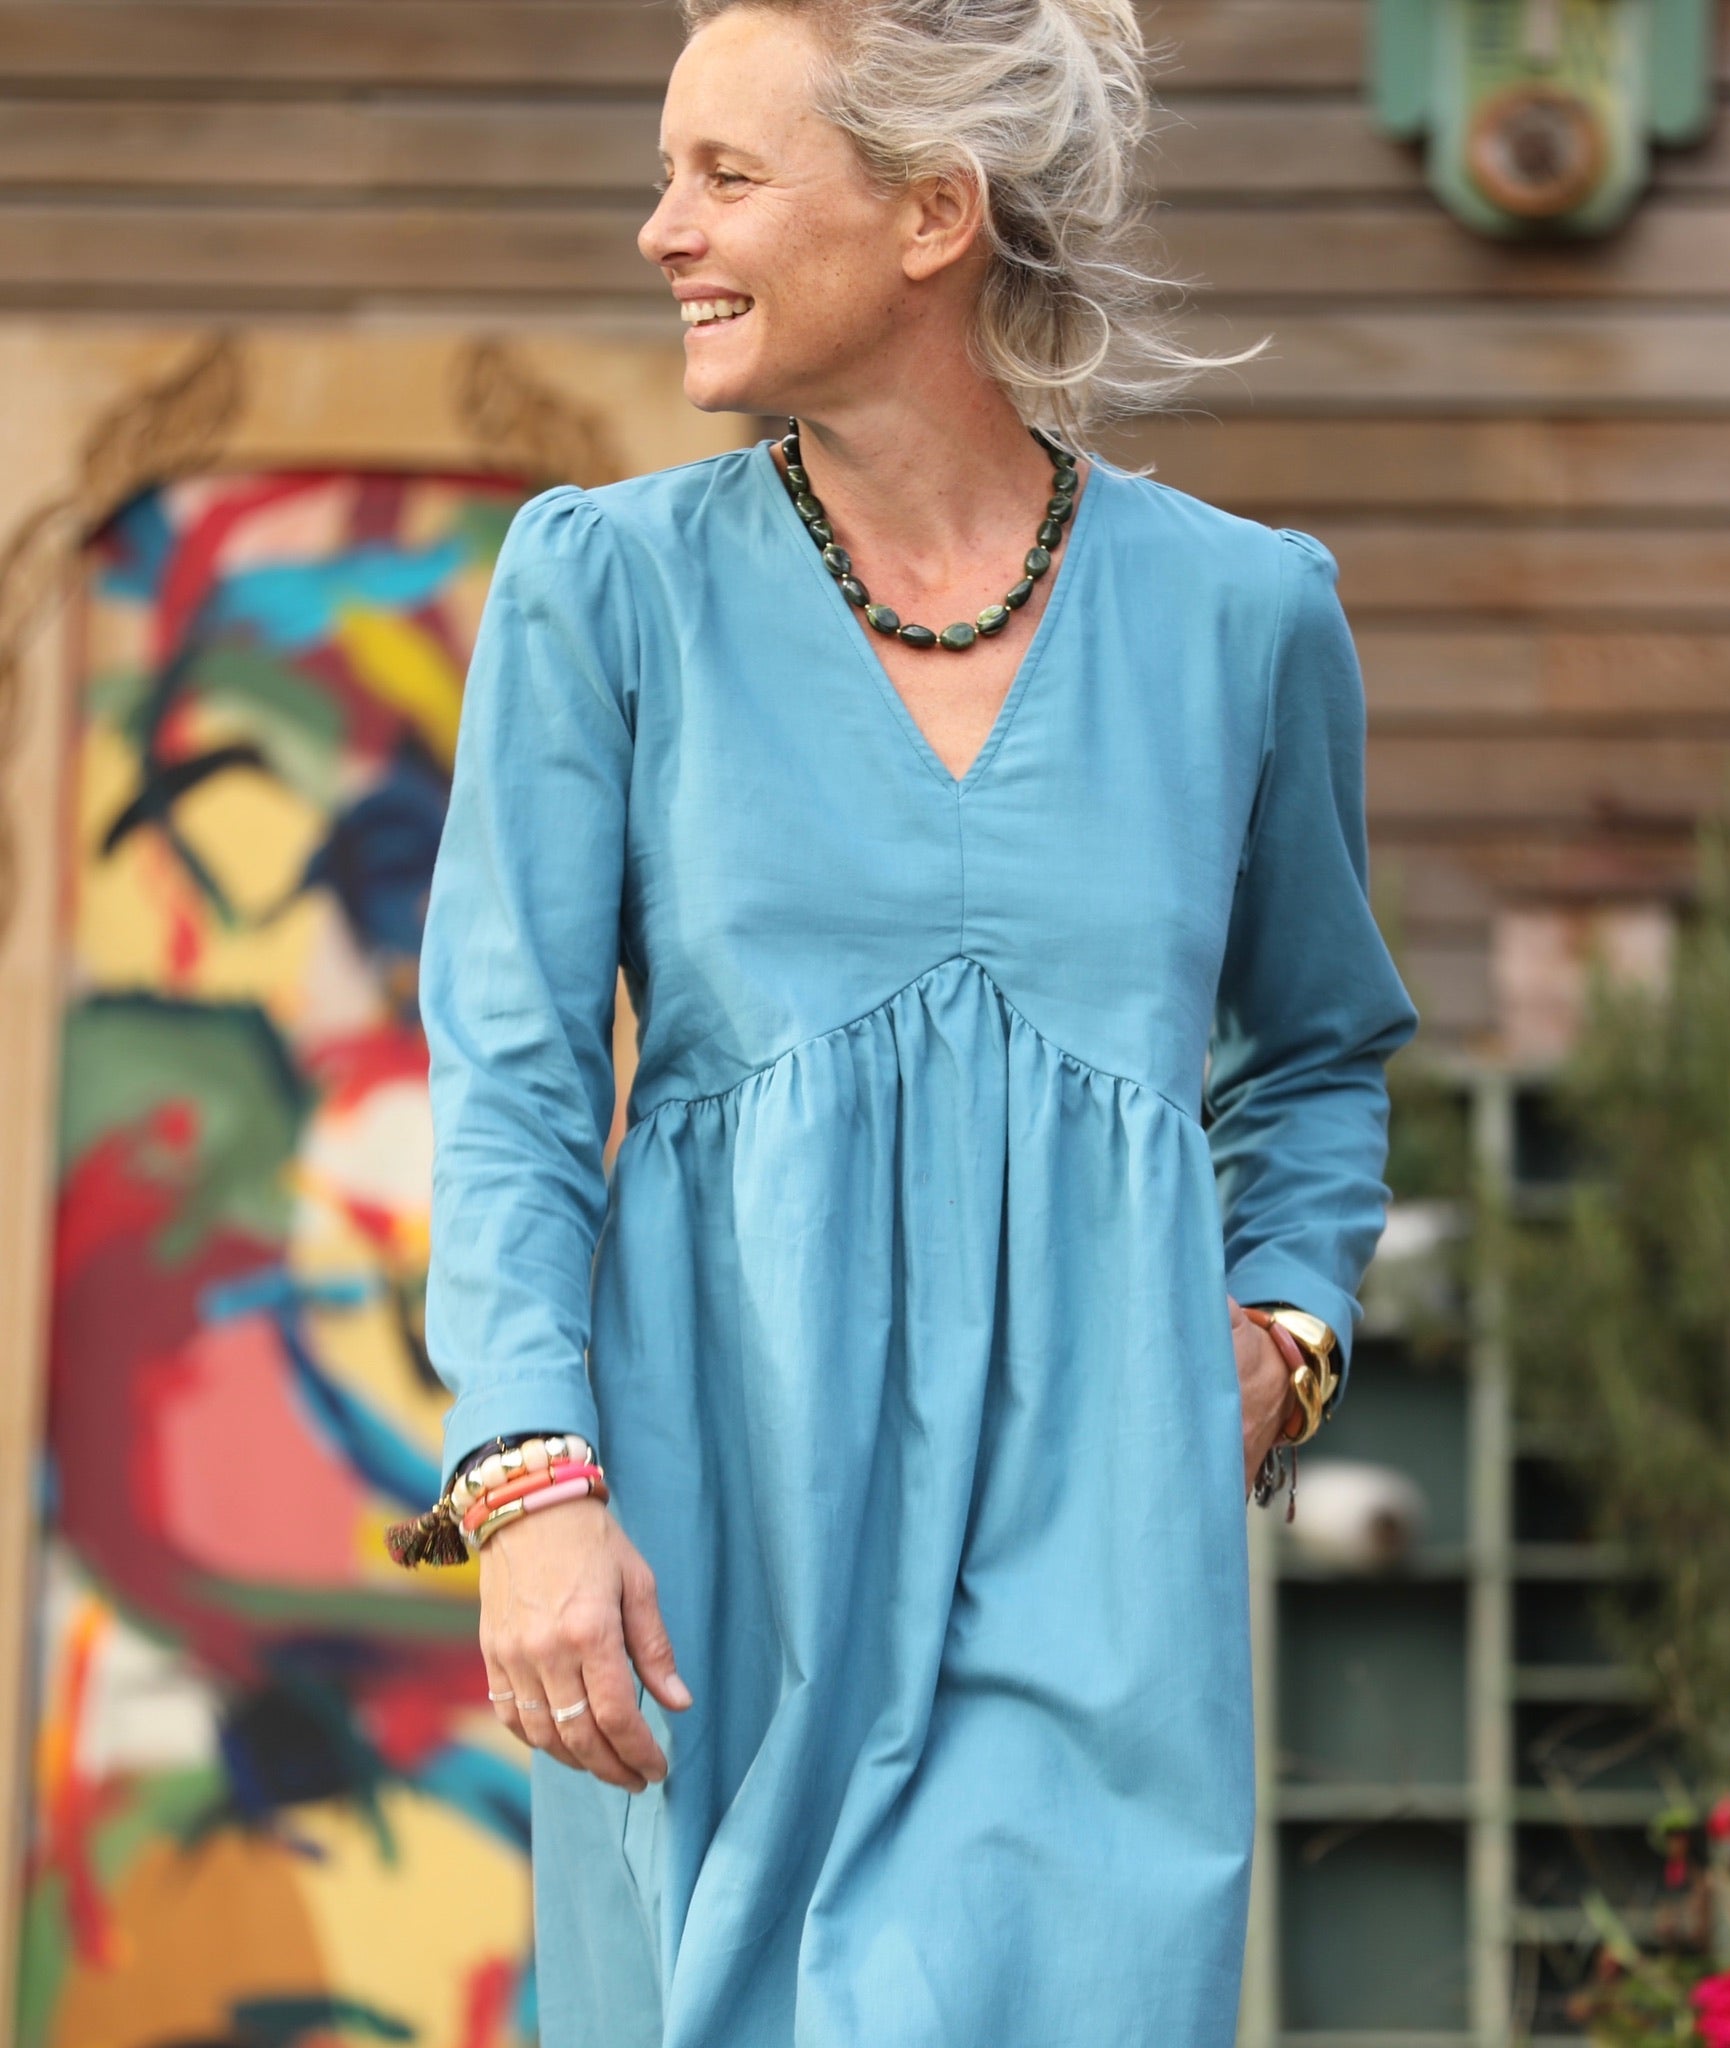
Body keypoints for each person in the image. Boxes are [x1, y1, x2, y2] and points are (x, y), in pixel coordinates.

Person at [403, 0, 1418, 2040]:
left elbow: (1316, 1049)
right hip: (714, 1525)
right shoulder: (605, 589)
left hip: (1098, 1544)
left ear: (933, 215)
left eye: (726, 175)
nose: (662, 231)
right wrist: (530, 1483)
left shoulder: (1242, 617)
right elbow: (511, 1083)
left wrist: (1276, 1334)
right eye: (668, 174)